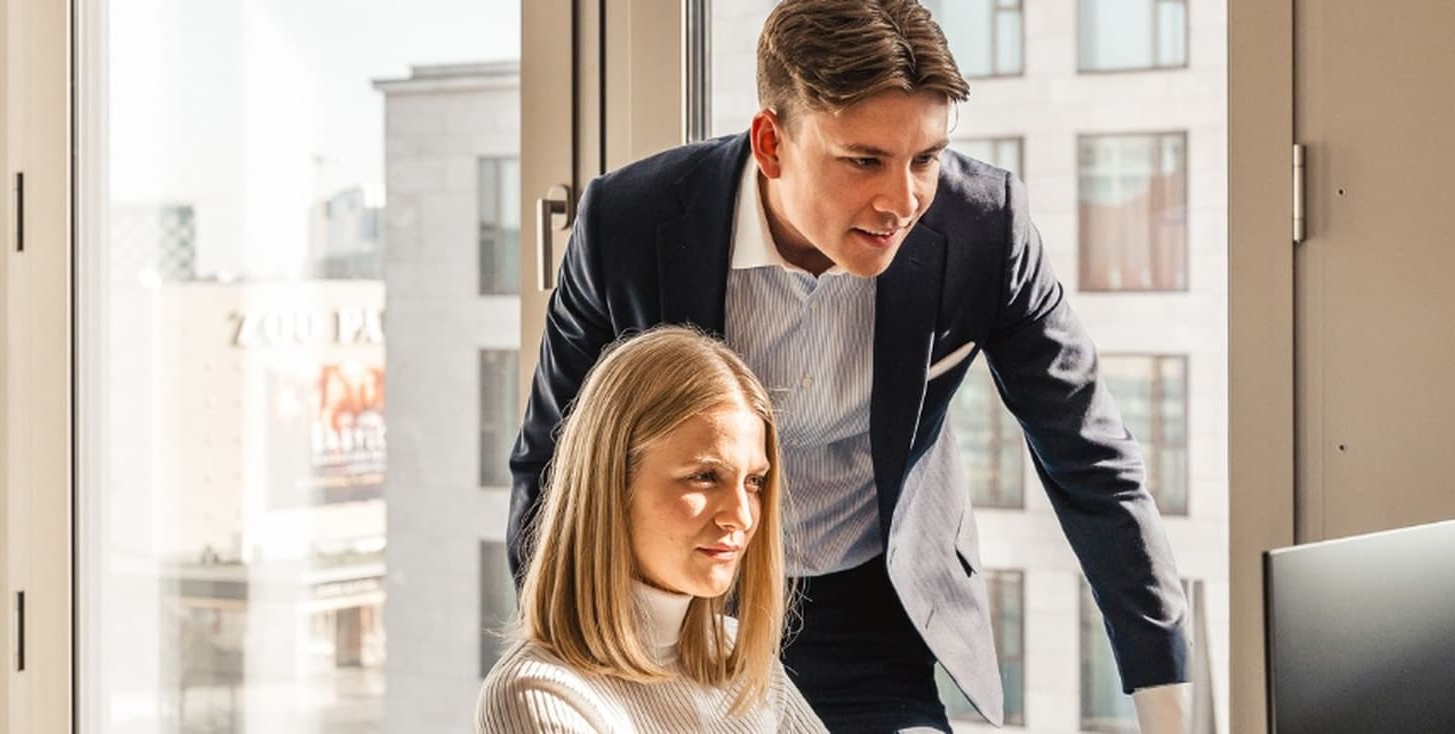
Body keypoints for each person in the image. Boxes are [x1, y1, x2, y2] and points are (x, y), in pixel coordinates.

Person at [509, 0, 1193, 730]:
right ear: (771, 144)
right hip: (677, 609)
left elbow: (1088, 459)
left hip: (866, 612)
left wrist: (1169, 704)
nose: (903, 202)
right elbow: (554, 458)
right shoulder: (630, 222)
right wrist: (558, 651)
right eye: (864, 160)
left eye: (926, 158)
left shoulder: (983, 227)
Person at [478, 327, 826, 733]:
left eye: (754, 481)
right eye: (705, 476)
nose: (742, 517)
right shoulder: (539, 693)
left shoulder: (741, 660)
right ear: (611, 485)